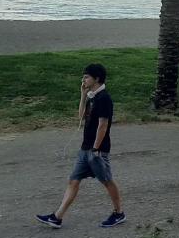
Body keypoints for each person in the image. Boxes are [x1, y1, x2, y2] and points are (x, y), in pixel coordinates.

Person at [36, 63, 125, 229]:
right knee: (73, 180)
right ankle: (57, 217)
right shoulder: (92, 97)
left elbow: (103, 125)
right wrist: (83, 95)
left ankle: (119, 213)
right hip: (85, 149)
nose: (83, 79)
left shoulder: (104, 98)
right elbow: (81, 117)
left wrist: (96, 148)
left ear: (96, 78)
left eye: (86, 77)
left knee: (107, 181)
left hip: (97, 150)